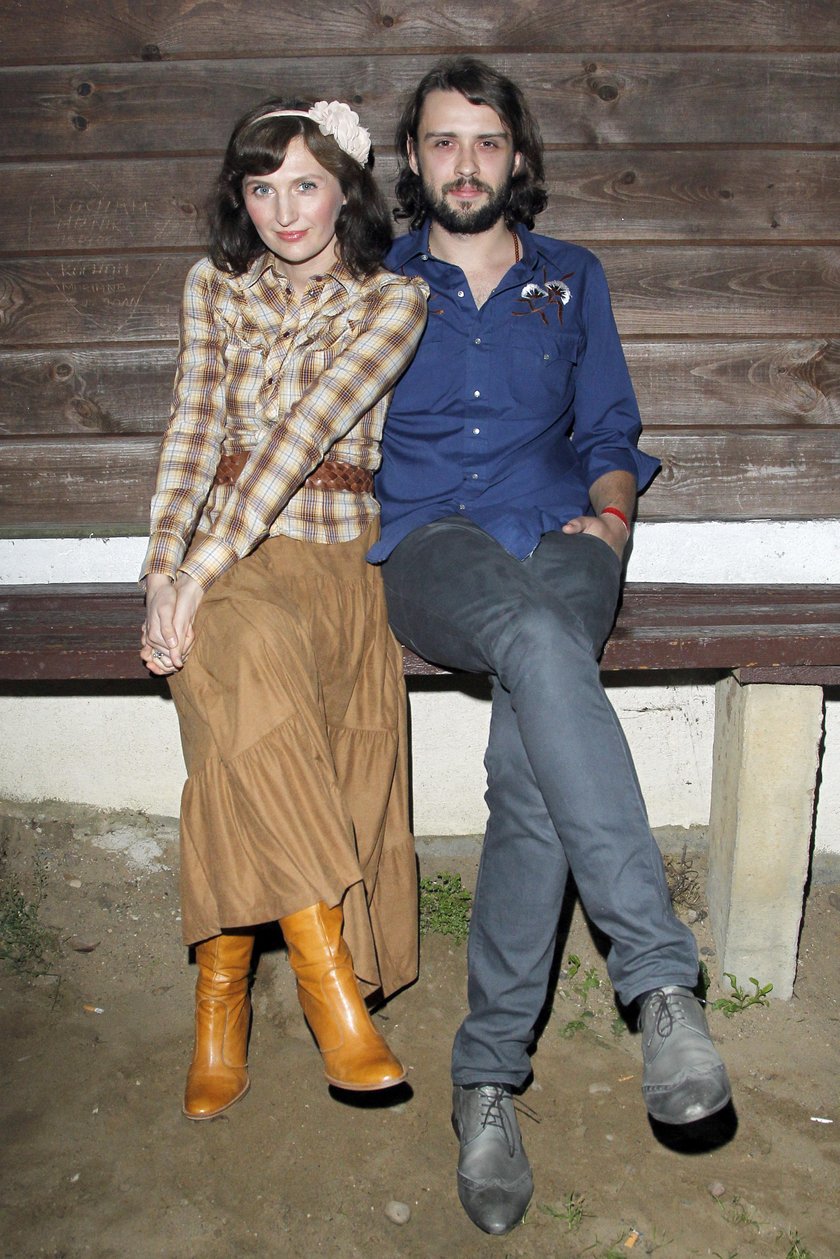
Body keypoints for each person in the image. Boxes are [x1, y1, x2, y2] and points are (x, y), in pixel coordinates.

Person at [369, 57, 732, 1235]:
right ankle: (661, 981)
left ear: (516, 156)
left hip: (568, 536)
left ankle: (484, 1083)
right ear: (412, 158)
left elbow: (610, 427)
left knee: (530, 772)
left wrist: (613, 520)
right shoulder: (376, 283)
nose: (465, 162)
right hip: (436, 545)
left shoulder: (572, 277)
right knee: (533, 638)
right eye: (443, 140)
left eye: (486, 140)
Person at [139, 97, 428, 1120]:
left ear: (346, 190)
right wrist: (165, 572)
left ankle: (220, 1003)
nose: (284, 210)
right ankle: (329, 993)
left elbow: (303, 434)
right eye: (262, 189)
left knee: (241, 749)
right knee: (243, 666)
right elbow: (192, 432)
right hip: (230, 566)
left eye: (306, 184)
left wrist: (196, 568)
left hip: (337, 559)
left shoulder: (393, 301)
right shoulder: (214, 286)